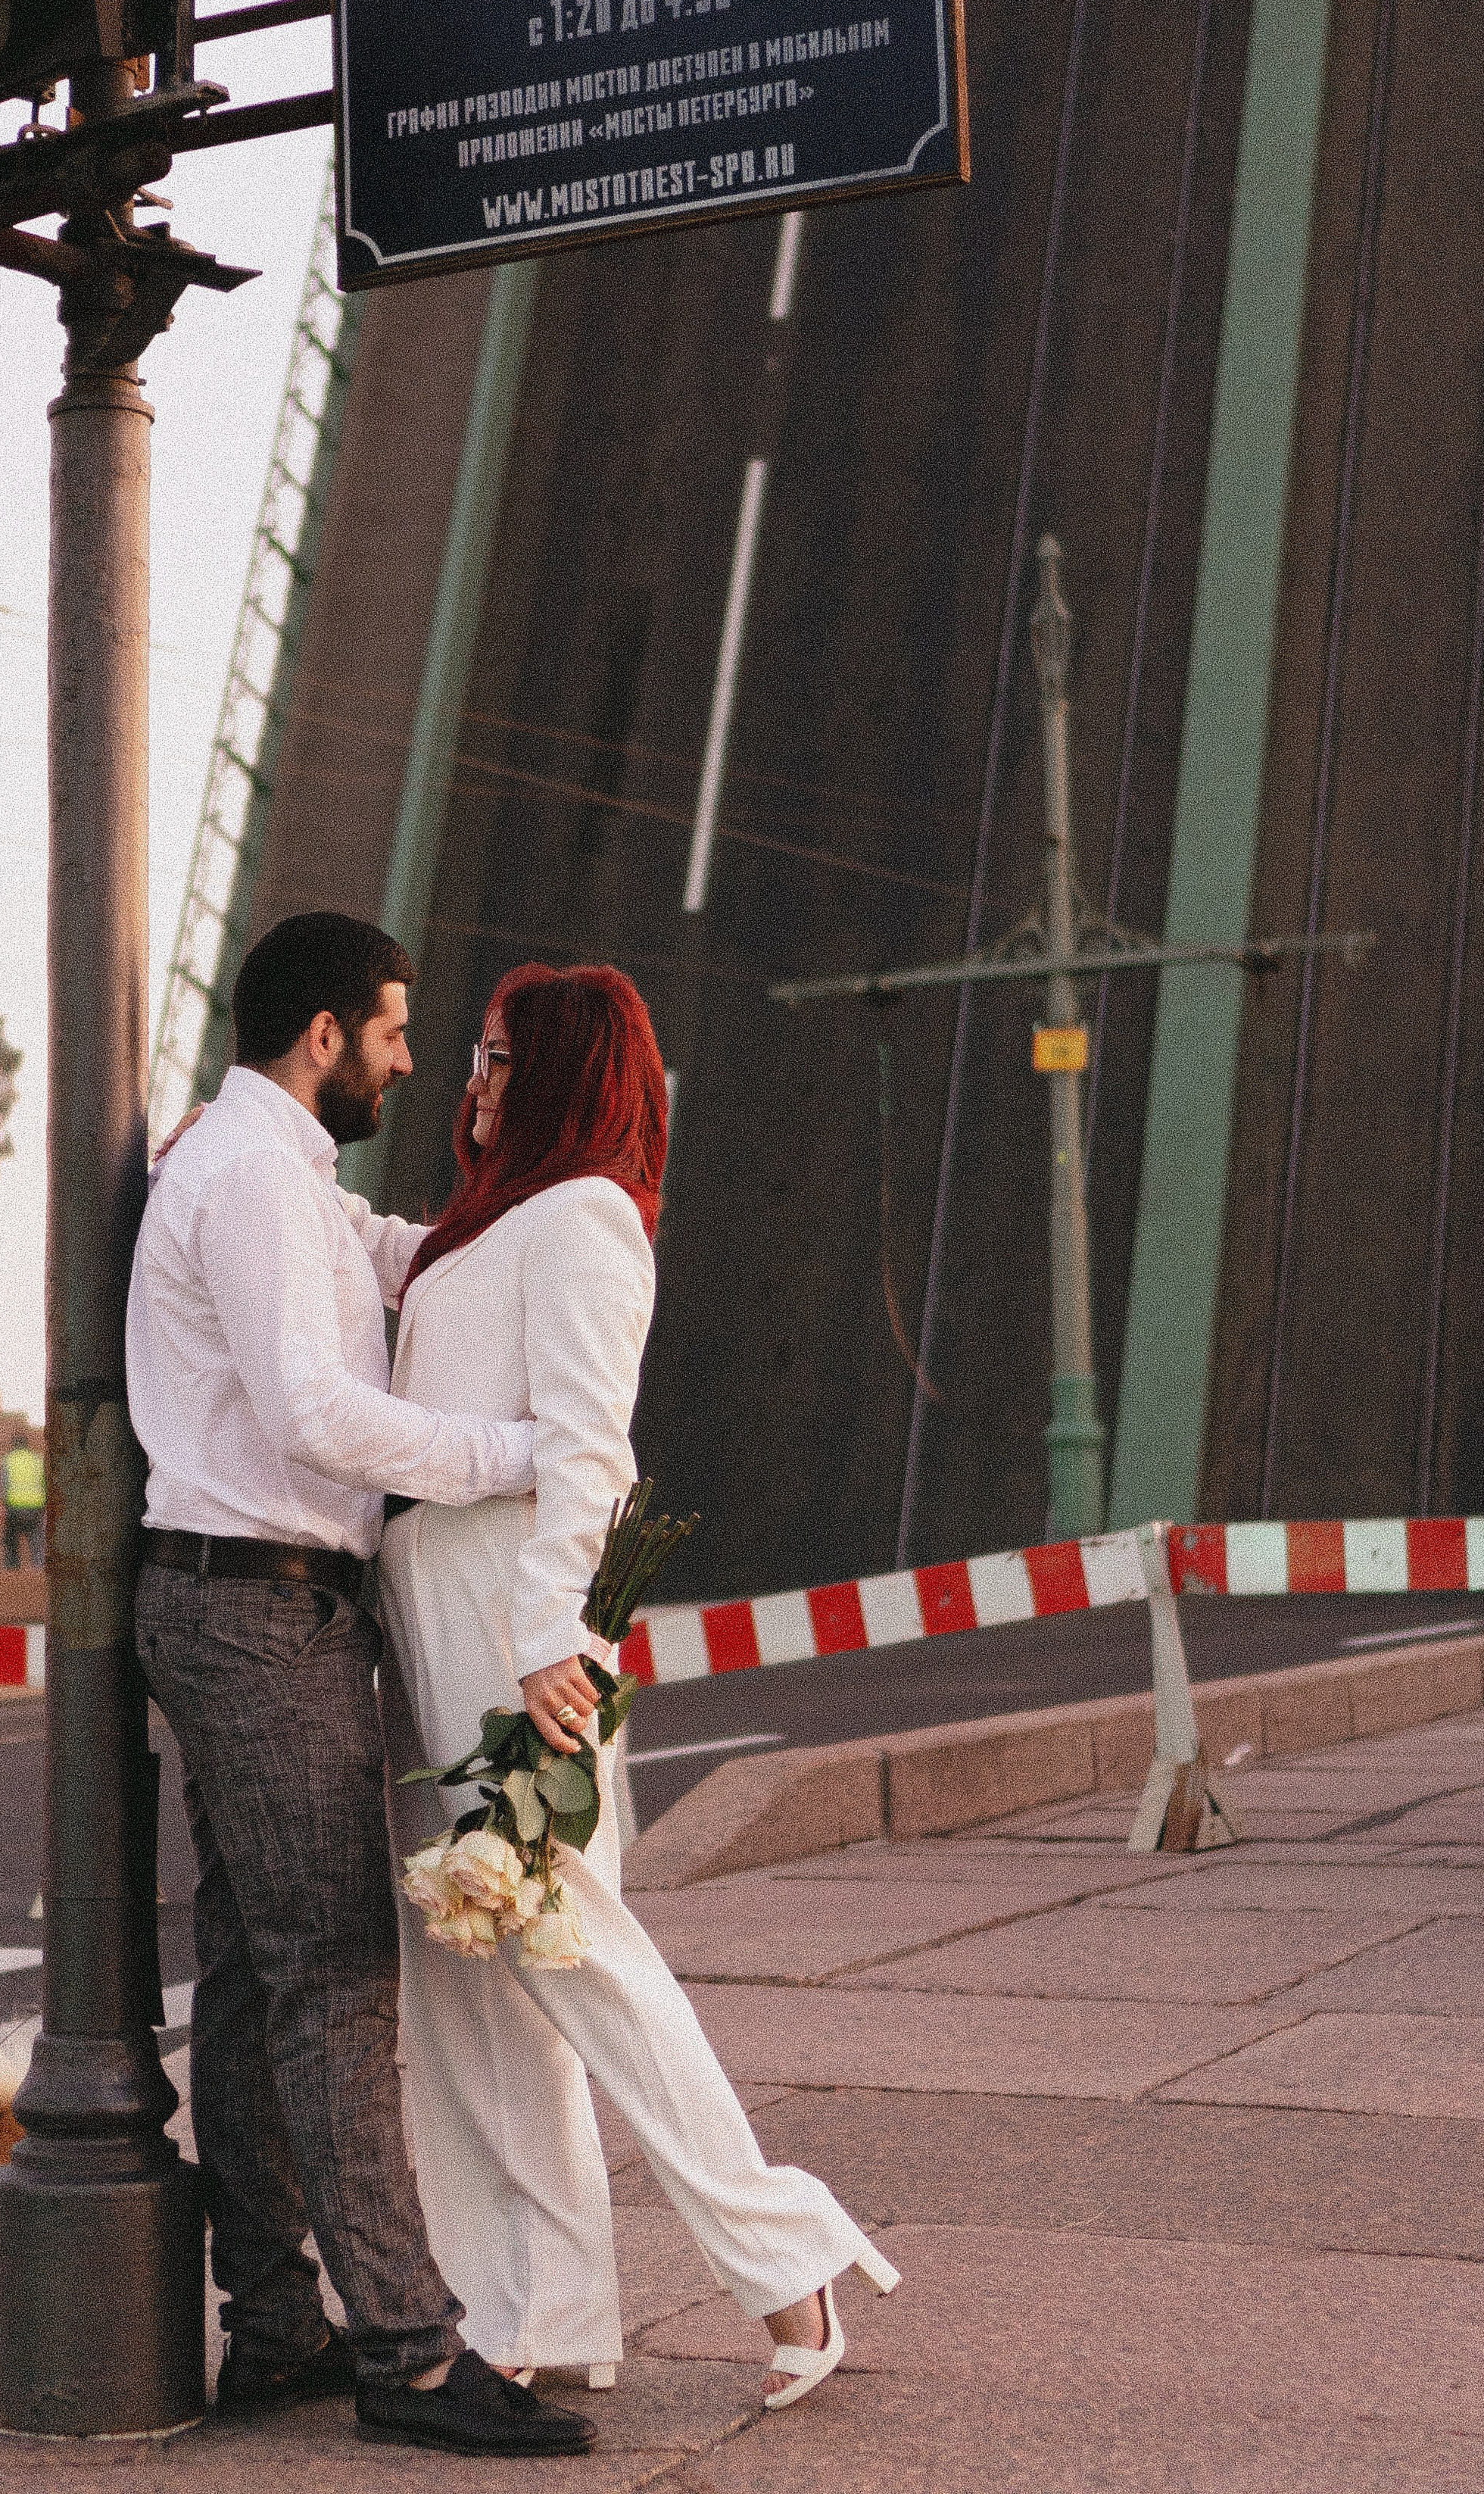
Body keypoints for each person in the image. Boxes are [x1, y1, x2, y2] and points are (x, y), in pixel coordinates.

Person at [380, 963, 898, 2411]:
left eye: (498, 1056)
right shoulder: (485, 1226)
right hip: (437, 1604)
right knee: (468, 1969)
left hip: (512, 1616)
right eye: (475, 1054)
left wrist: (552, 1629)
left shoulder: (585, 1218)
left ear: (559, 1070)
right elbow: (374, 1256)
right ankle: (531, 2308)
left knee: (571, 1945)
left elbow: (590, 1444)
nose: (472, 1079)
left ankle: (783, 2251)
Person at [127, 911, 598, 2458]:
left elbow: (403, 1259)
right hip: (258, 1608)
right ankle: (408, 2352)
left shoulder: (280, 1175)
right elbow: (313, 1413)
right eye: (393, 1033)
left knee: (258, 1975)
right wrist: (522, 1453)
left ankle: (277, 2327)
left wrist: (514, 1200)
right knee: (334, 1976)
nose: (408, 1061)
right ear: (324, 1033)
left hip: (243, 1602)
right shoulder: (252, 1176)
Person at [0, 1430, 44, 1569]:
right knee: (36, 1539)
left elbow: (2, 1485)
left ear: (13, 1445)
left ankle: (12, 1568)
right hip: (36, 1507)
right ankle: (38, 1568)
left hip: (14, 1506)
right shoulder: (37, 1460)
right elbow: (45, 1483)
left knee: (11, 1538)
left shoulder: (8, 1460)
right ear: (27, 1445)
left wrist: (2, 1504)